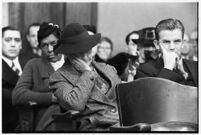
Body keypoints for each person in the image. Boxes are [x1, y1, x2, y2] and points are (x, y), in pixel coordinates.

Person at [47, 23, 121, 131]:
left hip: (124, 121)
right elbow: (75, 104)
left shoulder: (108, 68)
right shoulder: (58, 77)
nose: (87, 55)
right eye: (80, 51)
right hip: (96, 127)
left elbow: (124, 96)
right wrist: (86, 72)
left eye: (88, 48)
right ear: (69, 54)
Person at [12, 22, 65, 130]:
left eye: (53, 43)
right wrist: (52, 98)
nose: (50, 49)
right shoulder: (34, 65)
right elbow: (18, 95)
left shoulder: (73, 62)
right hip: (44, 122)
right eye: (44, 45)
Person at [135, 18, 198, 87]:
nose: (172, 47)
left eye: (177, 41)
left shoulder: (196, 66)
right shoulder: (144, 71)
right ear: (157, 44)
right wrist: (167, 68)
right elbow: (154, 96)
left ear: (182, 43)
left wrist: (186, 76)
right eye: (166, 42)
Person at [2, 26, 29, 132]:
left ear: (21, 45)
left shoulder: (31, 62)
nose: (13, 44)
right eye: (8, 40)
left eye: (17, 40)